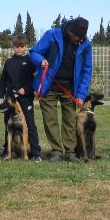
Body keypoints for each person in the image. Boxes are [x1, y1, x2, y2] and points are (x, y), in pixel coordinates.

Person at [31, 17, 92, 163]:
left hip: (70, 88)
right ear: (70, 31)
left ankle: (70, 152)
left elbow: (86, 70)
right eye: (76, 37)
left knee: (70, 120)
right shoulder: (52, 35)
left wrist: (81, 94)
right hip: (49, 86)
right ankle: (56, 151)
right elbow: (34, 52)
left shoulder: (86, 44)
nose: (78, 40)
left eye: (81, 37)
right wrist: (41, 61)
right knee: (50, 120)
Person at [0, 36, 41, 161]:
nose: (19, 49)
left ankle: (36, 152)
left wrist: (26, 89)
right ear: (13, 47)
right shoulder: (9, 62)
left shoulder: (30, 61)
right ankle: (7, 150)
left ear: (26, 47)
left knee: (30, 124)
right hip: (10, 99)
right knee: (8, 125)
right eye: (17, 47)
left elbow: (35, 80)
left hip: (25, 99)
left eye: (21, 47)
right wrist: (1, 96)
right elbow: (3, 80)